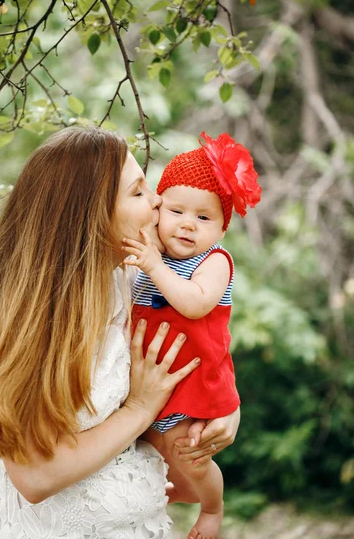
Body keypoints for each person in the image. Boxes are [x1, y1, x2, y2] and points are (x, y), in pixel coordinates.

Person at [0, 126, 240, 539]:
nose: (159, 200)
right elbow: (35, 477)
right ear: (91, 213)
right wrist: (139, 409)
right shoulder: (6, 315)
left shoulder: (127, 281)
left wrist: (227, 412)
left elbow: (203, 347)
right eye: (140, 192)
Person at [122, 132, 261, 539]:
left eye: (203, 218)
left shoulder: (214, 261)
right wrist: (151, 257)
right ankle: (179, 488)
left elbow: (196, 303)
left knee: (191, 450)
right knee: (154, 443)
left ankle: (213, 507)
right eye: (177, 210)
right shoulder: (155, 254)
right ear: (158, 210)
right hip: (151, 377)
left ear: (221, 229)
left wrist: (153, 265)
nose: (187, 224)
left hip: (192, 376)